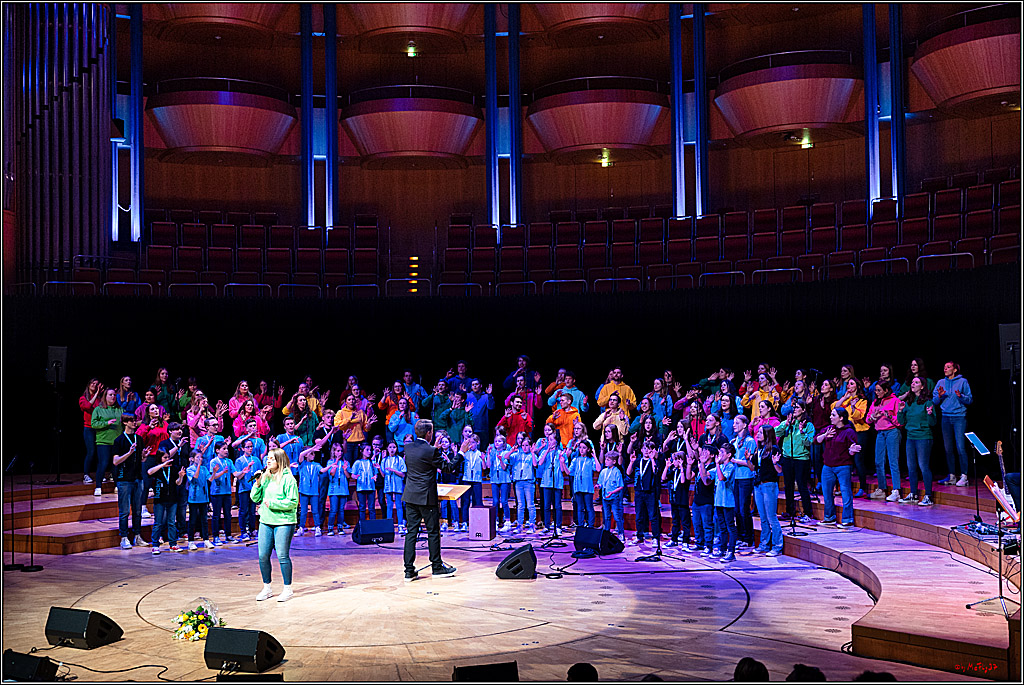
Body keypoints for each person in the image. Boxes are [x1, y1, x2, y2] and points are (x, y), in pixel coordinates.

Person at [402, 419, 457, 581]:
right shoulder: (431, 451)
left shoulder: (408, 447)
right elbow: (448, 468)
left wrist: (434, 449)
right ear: (429, 433)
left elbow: (422, 459)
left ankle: (408, 571)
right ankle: (437, 567)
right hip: (426, 498)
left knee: (411, 532)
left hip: (410, 496)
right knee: (433, 532)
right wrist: (460, 452)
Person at [252, 448, 299, 602]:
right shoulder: (265, 477)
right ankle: (267, 588)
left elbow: (293, 502)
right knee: (262, 555)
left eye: (272, 458)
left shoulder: (288, 479)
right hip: (266, 521)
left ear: (280, 461)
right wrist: (258, 483)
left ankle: (287, 588)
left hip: (284, 522)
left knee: (282, 555)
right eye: (268, 458)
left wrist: (272, 503)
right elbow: (254, 498)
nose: (268, 461)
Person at [817, 407, 861, 529]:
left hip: (843, 466)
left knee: (846, 492)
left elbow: (852, 449)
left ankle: (847, 519)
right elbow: (816, 440)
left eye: (833, 415)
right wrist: (825, 435)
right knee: (827, 493)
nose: (830, 417)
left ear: (841, 418)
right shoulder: (829, 429)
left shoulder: (849, 431)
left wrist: (852, 450)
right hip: (828, 466)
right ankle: (829, 518)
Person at [898, 377, 937, 505]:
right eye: (912, 382)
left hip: (923, 437)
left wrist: (930, 414)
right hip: (910, 437)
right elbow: (901, 422)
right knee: (911, 467)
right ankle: (913, 494)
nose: (913, 384)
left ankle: (928, 496)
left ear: (922, 386)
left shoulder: (928, 402)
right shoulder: (909, 402)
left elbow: (932, 423)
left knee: (923, 466)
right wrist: (900, 411)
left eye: (916, 382)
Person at [934, 361, 973, 487]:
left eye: (948, 367)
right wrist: (940, 396)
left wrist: (960, 396)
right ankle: (951, 475)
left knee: (960, 447)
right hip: (945, 417)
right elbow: (934, 401)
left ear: (955, 369)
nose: (945, 369)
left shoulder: (963, 382)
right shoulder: (941, 382)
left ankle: (964, 476)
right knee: (948, 448)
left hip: (959, 418)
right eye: (944, 367)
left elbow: (969, 399)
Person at [777, 400, 816, 522]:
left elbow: (809, 442)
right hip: (788, 458)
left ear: (803, 410)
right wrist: (786, 424)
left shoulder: (808, 425)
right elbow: (776, 432)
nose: (794, 410)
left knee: (802, 485)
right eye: (793, 407)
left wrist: (803, 432)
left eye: (797, 407)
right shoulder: (789, 423)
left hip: (801, 459)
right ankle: (790, 511)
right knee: (788, 485)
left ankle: (808, 513)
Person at [866, 381, 902, 501]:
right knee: (878, 461)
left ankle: (896, 490)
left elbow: (900, 422)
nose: (876, 393)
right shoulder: (875, 402)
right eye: (875, 390)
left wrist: (889, 416)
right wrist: (873, 417)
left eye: (879, 390)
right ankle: (881, 489)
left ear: (886, 390)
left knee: (893, 461)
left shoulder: (894, 400)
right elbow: (868, 419)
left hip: (892, 432)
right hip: (880, 433)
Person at [112, 413, 144, 549]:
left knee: (137, 510)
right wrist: (129, 453)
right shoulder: (119, 440)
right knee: (125, 511)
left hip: (138, 478)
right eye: (131, 420)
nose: (134, 423)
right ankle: (124, 537)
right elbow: (115, 461)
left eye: (135, 420)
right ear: (125, 423)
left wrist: (144, 456)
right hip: (124, 479)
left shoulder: (139, 438)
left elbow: (141, 459)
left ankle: (137, 536)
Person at [146, 449, 187, 555]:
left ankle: (173, 544)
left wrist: (181, 477)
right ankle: (155, 545)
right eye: (165, 457)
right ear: (160, 458)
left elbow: (177, 483)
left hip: (172, 499)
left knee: (171, 523)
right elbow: (149, 472)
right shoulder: (157, 469)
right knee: (158, 523)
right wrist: (162, 465)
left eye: (168, 457)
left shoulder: (173, 469)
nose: (167, 460)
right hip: (160, 499)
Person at [751, 426, 784, 555]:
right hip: (758, 485)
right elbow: (753, 468)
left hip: (769, 485)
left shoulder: (774, 449)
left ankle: (777, 546)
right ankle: (764, 544)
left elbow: (780, 470)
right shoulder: (758, 449)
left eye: (760, 432)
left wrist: (775, 463)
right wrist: (748, 459)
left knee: (771, 516)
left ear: (767, 434)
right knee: (763, 517)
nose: (758, 434)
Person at [834, 378, 870, 497]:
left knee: (858, 460)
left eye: (851, 383)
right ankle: (843, 487)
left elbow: (859, 416)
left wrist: (853, 407)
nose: (848, 385)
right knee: (845, 460)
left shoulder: (862, 400)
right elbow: (835, 408)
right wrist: (844, 397)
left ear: (857, 386)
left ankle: (862, 488)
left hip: (859, 432)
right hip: (846, 432)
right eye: (848, 383)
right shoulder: (847, 399)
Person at [730, 415, 758, 550]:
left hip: (746, 478)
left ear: (745, 425)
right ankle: (740, 536)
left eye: (737, 423)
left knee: (743, 508)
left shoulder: (750, 441)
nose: (734, 425)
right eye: (734, 423)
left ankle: (748, 538)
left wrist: (735, 461)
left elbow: (751, 463)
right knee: (736, 509)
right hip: (735, 478)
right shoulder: (734, 441)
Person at [628, 439, 661, 546]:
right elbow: (629, 472)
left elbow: (655, 471)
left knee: (653, 515)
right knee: (639, 515)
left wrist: (652, 459)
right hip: (639, 492)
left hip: (651, 492)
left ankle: (655, 537)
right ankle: (639, 536)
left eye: (650, 449)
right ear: (641, 450)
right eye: (645, 448)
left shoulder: (655, 461)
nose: (647, 451)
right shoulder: (637, 461)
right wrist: (631, 462)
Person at [91, 387, 122, 497]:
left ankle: (117, 486)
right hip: (103, 441)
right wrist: (106, 423)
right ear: (105, 396)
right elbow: (93, 424)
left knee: (116, 465)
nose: (113, 397)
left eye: (114, 395)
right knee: (103, 464)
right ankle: (98, 487)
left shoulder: (119, 409)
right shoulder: (98, 409)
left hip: (116, 442)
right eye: (110, 395)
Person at [232, 436, 264, 541]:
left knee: (252, 510)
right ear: (242, 448)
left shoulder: (256, 460)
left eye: (251, 447)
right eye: (247, 447)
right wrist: (246, 470)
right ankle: (243, 531)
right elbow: (238, 476)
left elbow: (260, 473)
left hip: (254, 489)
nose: (250, 449)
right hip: (243, 488)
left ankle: (252, 529)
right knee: (243, 510)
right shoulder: (239, 460)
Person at [535, 425, 565, 534]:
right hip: (546, 482)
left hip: (557, 482)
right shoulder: (544, 452)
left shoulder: (561, 453)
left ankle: (558, 526)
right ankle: (546, 526)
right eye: (549, 440)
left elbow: (562, 469)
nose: (550, 442)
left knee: (557, 505)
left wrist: (562, 461)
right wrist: (547, 450)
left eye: (552, 440)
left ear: (556, 441)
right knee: (546, 505)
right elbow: (540, 463)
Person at [661, 439, 690, 548]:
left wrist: (682, 468)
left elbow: (682, 481)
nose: (673, 462)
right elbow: (663, 478)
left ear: (681, 460)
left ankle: (686, 542)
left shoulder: (686, 471)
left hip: (682, 501)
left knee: (685, 522)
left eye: (675, 460)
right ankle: (674, 539)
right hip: (674, 500)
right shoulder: (673, 470)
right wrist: (667, 466)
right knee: (675, 521)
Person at [567, 438, 600, 529]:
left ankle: (590, 526)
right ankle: (580, 526)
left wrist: (595, 456)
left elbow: (598, 469)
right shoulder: (575, 460)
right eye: (580, 447)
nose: (581, 450)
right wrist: (562, 463)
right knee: (580, 508)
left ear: (588, 449)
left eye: (584, 448)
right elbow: (568, 472)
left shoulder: (590, 460)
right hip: (578, 487)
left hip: (587, 488)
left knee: (589, 508)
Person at [185, 451, 215, 550]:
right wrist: (198, 466)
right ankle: (190, 541)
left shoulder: (204, 468)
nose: (200, 459)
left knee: (204, 520)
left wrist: (214, 472)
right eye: (197, 457)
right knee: (193, 520)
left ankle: (206, 540)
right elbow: (195, 477)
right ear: (192, 459)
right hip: (194, 498)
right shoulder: (189, 469)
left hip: (204, 497)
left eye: (201, 457)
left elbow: (209, 480)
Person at [714, 443, 738, 562]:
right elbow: (708, 474)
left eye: (722, 452)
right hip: (718, 501)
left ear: (729, 455)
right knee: (722, 526)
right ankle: (722, 549)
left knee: (730, 527)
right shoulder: (720, 466)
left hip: (728, 501)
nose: (719, 455)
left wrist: (717, 464)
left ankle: (731, 552)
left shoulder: (730, 467)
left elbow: (722, 478)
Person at [208, 441, 235, 544]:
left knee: (228, 514)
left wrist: (244, 471)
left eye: (227, 449)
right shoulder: (213, 462)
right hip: (217, 492)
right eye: (224, 449)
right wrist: (222, 472)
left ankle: (228, 535)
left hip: (227, 491)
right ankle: (216, 536)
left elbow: (235, 473)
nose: (226, 451)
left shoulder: (229, 461)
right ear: (217, 450)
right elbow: (213, 477)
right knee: (216, 515)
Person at [487, 430, 514, 532]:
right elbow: (488, 466)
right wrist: (488, 454)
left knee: (504, 501)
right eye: (496, 441)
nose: (497, 443)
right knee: (495, 501)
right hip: (494, 479)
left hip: (504, 479)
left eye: (499, 441)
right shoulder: (492, 452)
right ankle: (496, 520)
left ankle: (507, 521)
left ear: (504, 443)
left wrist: (501, 459)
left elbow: (504, 467)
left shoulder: (506, 453)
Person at [511, 432, 538, 532]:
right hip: (518, 482)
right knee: (520, 505)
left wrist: (533, 452)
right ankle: (519, 525)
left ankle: (532, 524)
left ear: (530, 446)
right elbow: (506, 458)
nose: (525, 447)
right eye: (523, 445)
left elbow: (535, 465)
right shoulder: (517, 454)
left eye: (527, 445)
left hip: (529, 482)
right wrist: (512, 451)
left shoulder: (532, 455)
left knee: (530, 504)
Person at [323, 442, 352, 535]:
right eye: (338, 451)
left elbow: (348, 476)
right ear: (334, 452)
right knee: (333, 509)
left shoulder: (345, 462)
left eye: (341, 451)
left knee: (341, 510)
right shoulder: (330, 462)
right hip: (334, 489)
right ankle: (330, 528)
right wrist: (335, 463)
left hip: (343, 489)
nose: (340, 453)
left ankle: (340, 527)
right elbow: (331, 473)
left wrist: (344, 469)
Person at [80, 378, 103, 486]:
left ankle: (100, 474)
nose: (94, 385)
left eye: (97, 384)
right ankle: (86, 474)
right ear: (88, 385)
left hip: (99, 428)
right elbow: (88, 406)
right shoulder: (83, 398)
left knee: (100, 452)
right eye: (93, 383)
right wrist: (97, 394)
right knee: (91, 452)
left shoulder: (99, 399)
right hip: (89, 428)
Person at [598, 448, 625, 538]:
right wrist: (598, 486)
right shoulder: (603, 471)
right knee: (607, 517)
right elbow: (601, 483)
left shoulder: (617, 472)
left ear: (614, 461)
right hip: (605, 497)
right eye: (605, 459)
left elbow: (621, 486)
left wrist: (612, 492)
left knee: (617, 517)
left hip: (614, 498)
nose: (605, 461)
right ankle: (606, 534)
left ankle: (621, 533)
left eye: (608, 460)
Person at [382, 442, 407, 532]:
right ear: (387, 449)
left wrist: (393, 470)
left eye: (394, 447)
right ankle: (389, 525)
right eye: (390, 447)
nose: (392, 449)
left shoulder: (400, 459)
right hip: (388, 485)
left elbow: (403, 474)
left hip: (397, 485)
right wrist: (378, 468)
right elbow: (383, 474)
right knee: (389, 505)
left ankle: (400, 525)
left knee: (399, 505)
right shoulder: (384, 460)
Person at [351, 444, 380, 521]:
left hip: (371, 487)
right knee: (362, 507)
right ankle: (362, 526)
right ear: (361, 451)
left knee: (371, 508)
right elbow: (352, 474)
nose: (369, 452)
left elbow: (375, 473)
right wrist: (355, 476)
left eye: (370, 450)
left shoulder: (372, 462)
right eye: (367, 450)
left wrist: (375, 477)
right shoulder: (357, 462)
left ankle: (373, 525)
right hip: (361, 487)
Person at [466, 380, 496, 445]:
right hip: (471, 428)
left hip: (483, 428)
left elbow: (491, 407)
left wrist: (490, 395)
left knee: (483, 448)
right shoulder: (468, 396)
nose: (475, 386)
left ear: (480, 385)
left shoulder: (486, 396)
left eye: (476, 384)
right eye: (473, 385)